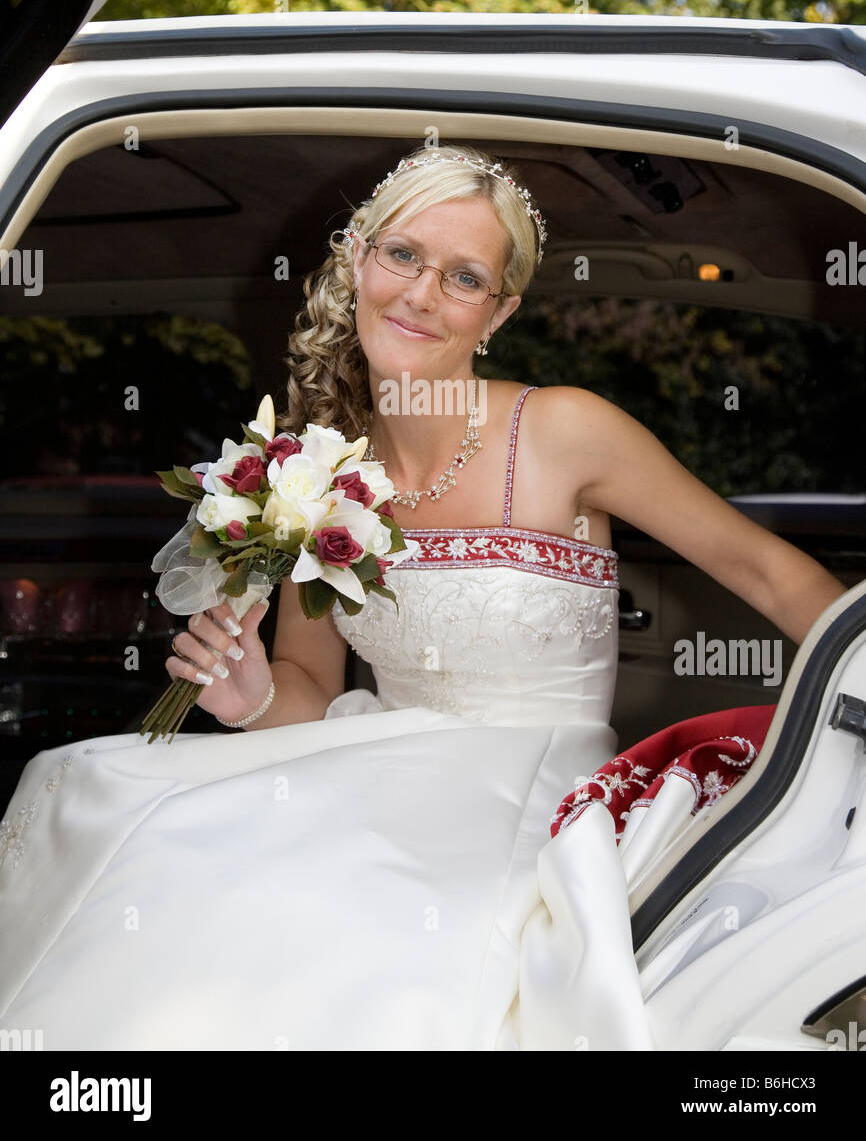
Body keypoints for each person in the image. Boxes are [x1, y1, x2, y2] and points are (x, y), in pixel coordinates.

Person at [0, 143, 847, 1052]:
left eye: (464, 276)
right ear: (358, 255)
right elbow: (307, 688)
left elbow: (768, 573)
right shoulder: (318, 463)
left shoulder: (563, 430)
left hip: (535, 793)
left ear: (499, 310)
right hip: (372, 766)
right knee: (116, 811)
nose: (420, 294)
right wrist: (248, 700)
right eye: (403, 255)